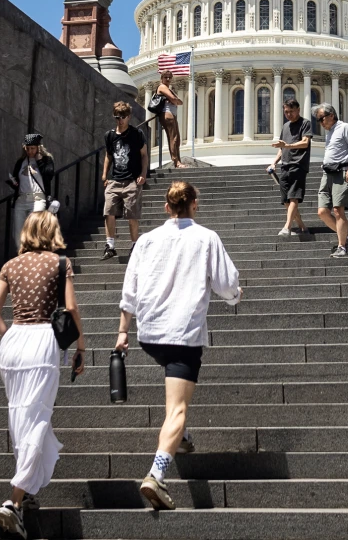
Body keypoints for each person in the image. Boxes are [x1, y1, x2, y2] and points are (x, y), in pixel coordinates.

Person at [115, 181, 242, 511]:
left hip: (150, 333)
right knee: (177, 407)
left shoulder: (146, 240)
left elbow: (130, 290)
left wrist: (122, 332)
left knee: (176, 393)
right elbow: (227, 285)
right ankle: (156, 475)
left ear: (166, 207)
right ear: (194, 204)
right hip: (182, 335)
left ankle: (181, 437)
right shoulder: (206, 238)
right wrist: (234, 297)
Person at [0, 212, 85, 540]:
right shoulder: (60, 263)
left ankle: (27, 492)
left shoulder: (10, 265)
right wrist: (80, 345)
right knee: (37, 417)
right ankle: (14, 501)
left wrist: (9, 337)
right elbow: (70, 308)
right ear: (52, 232)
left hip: (13, 341)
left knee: (22, 417)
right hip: (43, 341)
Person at [102, 101, 148, 261]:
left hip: (131, 180)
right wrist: (104, 174)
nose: (119, 120)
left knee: (131, 215)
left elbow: (144, 155)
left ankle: (134, 244)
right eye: (117, 117)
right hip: (114, 179)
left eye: (123, 117)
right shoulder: (110, 135)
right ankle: (110, 245)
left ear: (129, 117)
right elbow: (108, 155)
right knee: (108, 211)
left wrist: (143, 173)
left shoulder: (136, 134)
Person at [315, 103, 348, 258]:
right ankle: (346, 237)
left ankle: (342, 246)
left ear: (331, 115)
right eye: (318, 120)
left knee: (337, 210)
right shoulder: (330, 132)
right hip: (327, 173)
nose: (320, 123)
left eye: (321, 119)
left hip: (341, 172)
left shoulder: (344, 127)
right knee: (322, 212)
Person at [269, 98, 313, 235]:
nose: (288, 114)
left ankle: (287, 227)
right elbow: (282, 148)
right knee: (286, 201)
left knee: (294, 198)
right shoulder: (286, 126)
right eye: (286, 112)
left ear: (298, 110)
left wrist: (286, 145)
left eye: (291, 112)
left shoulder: (305, 123)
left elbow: (305, 143)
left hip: (298, 165)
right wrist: (274, 162)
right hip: (285, 166)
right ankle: (302, 227)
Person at [8, 133, 55, 250]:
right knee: (18, 233)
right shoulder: (21, 161)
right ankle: (22, 258)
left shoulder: (46, 159)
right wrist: (14, 183)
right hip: (21, 199)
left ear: (38, 147)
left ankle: (35, 257)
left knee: (34, 229)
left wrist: (39, 160)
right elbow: (16, 176)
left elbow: (49, 175)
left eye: (32, 148)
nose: (30, 151)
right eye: (27, 148)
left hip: (38, 199)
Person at [156, 71, 186, 168]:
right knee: (173, 138)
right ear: (162, 78)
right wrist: (174, 100)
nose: (168, 79)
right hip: (167, 114)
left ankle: (178, 160)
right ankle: (176, 161)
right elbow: (174, 99)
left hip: (172, 114)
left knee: (177, 139)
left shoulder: (168, 88)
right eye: (166, 77)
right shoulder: (162, 87)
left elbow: (180, 102)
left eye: (169, 77)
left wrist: (174, 100)